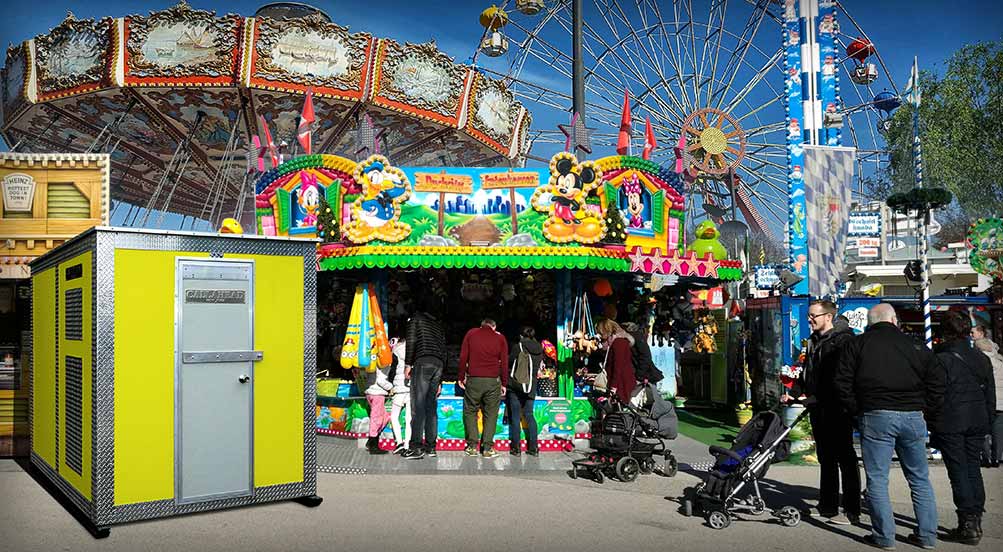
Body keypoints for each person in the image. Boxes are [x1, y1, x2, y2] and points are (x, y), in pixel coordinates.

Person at [835, 303, 944, 550]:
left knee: (877, 478)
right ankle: (927, 536)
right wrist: (927, 408)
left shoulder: (858, 344)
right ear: (894, 320)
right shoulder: (916, 346)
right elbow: (937, 381)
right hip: (913, 415)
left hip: (876, 413)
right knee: (919, 478)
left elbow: (842, 382)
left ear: (869, 323)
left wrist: (856, 410)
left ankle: (884, 536)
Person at [932, 313, 996, 545]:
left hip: (951, 420)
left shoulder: (940, 358)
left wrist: (932, 419)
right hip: (977, 417)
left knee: (958, 471)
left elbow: (935, 394)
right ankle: (975, 518)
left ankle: (967, 522)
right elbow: (989, 392)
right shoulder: (980, 357)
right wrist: (987, 419)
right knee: (973, 468)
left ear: (944, 332)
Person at [797, 300, 860, 525]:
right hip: (818, 406)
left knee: (845, 457)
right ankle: (828, 504)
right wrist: (799, 389)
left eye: (814, 315)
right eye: (809, 315)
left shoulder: (843, 341)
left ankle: (852, 509)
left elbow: (839, 377)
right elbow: (809, 370)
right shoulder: (814, 340)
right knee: (826, 458)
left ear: (828, 316)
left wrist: (821, 396)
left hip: (838, 406)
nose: (809, 319)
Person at [402, 299, 447, 460]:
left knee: (418, 406)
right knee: (431, 406)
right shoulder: (438, 324)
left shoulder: (416, 319)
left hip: (423, 362)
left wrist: (408, 364)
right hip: (438, 364)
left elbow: (412, 341)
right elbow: (444, 348)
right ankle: (431, 446)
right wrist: (442, 377)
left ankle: (415, 447)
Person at [458, 318, 509, 458]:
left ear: (481, 325)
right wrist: (504, 383)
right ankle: (487, 448)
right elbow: (504, 363)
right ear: (494, 327)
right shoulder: (500, 338)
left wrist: (461, 376)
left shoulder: (471, 334)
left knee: (470, 411)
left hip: (474, 379)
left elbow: (463, 357)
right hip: (493, 381)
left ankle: (472, 446)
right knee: (491, 413)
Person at [507, 326, 543, 457]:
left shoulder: (518, 346)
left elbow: (510, 362)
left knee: (515, 416)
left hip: (516, 385)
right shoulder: (539, 349)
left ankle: (516, 448)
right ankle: (534, 448)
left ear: (521, 336)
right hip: (531, 386)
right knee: (529, 415)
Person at [974, 337, 1003, 467]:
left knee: (984, 430)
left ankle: (986, 458)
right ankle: (997, 458)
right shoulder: (1000, 361)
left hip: (985, 400)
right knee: (998, 432)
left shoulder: (979, 362)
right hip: (1001, 402)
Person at [595, 319, 637, 405]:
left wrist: (614, 387)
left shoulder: (619, 343)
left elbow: (618, 367)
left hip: (621, 384)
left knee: (618, 409)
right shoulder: (617, 342)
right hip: (619, 382)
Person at [363, 360, 393, 456]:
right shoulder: (384, 361)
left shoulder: (371, 360)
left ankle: (371, 441)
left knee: (385, 417)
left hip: (370, 391)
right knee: (377, 419)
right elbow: (381, 381)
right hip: (378, 393)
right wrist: (391, 387)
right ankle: (374, 446)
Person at [387, 337, 411, 455]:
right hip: (410, 389)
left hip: (398, 388)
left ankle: (399, 442)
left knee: (394, 416)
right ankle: (407, 444)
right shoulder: (414, 352)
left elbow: (391, 370)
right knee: (409, 419)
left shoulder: (395, 350)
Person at [622, 321, 664, 385]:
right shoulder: (636, 336)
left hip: (644, 375)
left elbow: (645, 356)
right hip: (644, 374)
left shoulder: (636, 336)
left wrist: (639, 375)